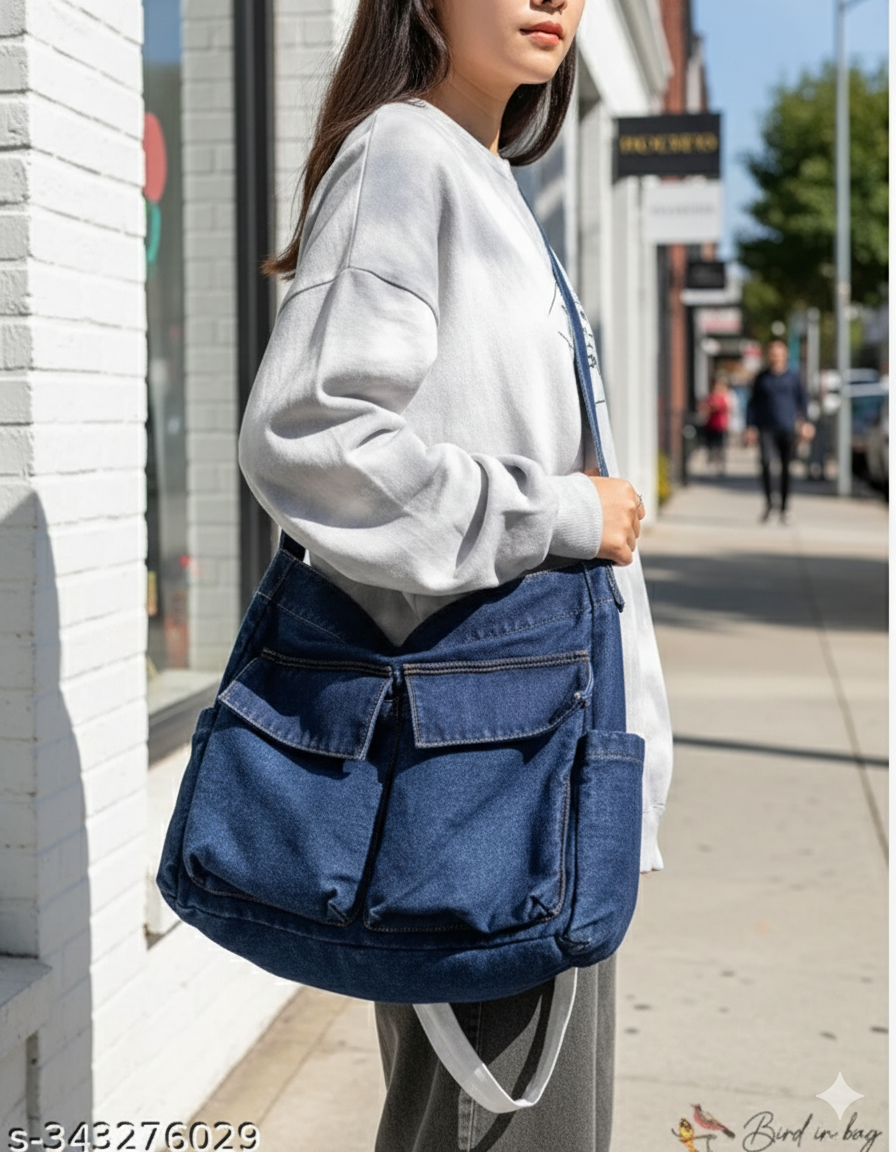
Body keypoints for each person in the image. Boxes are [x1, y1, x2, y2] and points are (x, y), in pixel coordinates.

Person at [237, 0, 673, 1147]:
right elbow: (310, 439)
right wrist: (562, 510)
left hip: (534, 760)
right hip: (485, 778)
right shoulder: (403, 156)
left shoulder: (477, 175)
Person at [744, 339, 814, 523]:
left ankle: (784, 508)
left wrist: (805, 423)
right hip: (766, 428)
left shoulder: (793, 378)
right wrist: (750, 426)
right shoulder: (762, 378)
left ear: (784, 355)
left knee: (786, 469)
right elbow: (752, 404)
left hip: (787, 428)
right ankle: (769, 505)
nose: (775, 356)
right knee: (766, 464)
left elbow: (802, 402)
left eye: (778, 353)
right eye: (772, 353)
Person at [700, 375, 733, 475]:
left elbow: (725, 408)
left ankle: (720, 465)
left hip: (721, 425)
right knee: (710, 445)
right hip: (710, 424)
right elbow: (704, 408)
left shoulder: (724, 397)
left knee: (720, 446)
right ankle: (711, 462)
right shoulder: (710, 397)